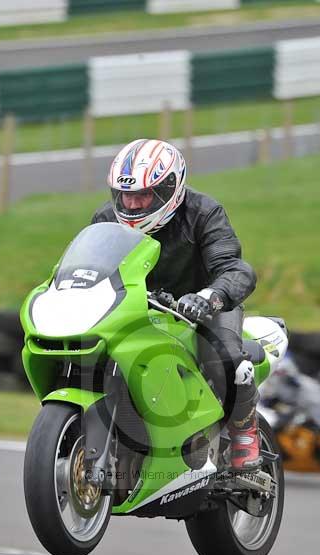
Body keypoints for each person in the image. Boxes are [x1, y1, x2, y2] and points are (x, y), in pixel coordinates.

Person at [91, 138, 260, 470]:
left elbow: (235, 269)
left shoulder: (203, 212)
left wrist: (209, 297)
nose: (133, 205)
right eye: (126, 195)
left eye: (142, 196)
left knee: (226, 360)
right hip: (133, 307)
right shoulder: (105, 218)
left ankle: (244, 432)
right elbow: (90, 264)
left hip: (202, 308)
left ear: (170, 189)